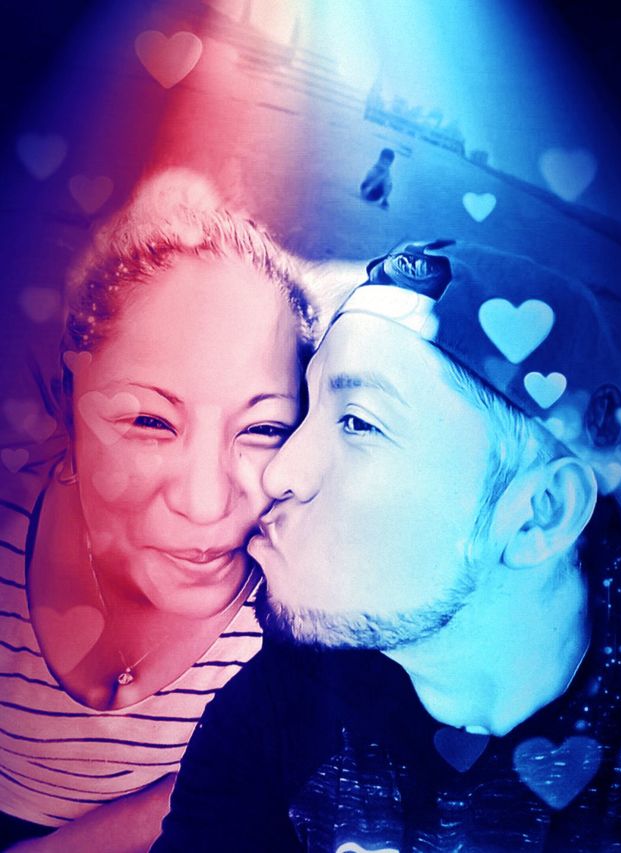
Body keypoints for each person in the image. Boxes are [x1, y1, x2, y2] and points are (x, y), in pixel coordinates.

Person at [153, 239, 621, 852]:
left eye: (359, 422)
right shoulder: (276, 711)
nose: (278, 474)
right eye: (307, 411)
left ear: (538, 515)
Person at [0, 168, 315, 851]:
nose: (207, 504)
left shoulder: (298, 606)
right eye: (149, 420)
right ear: (72, 403)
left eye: (263, 428)